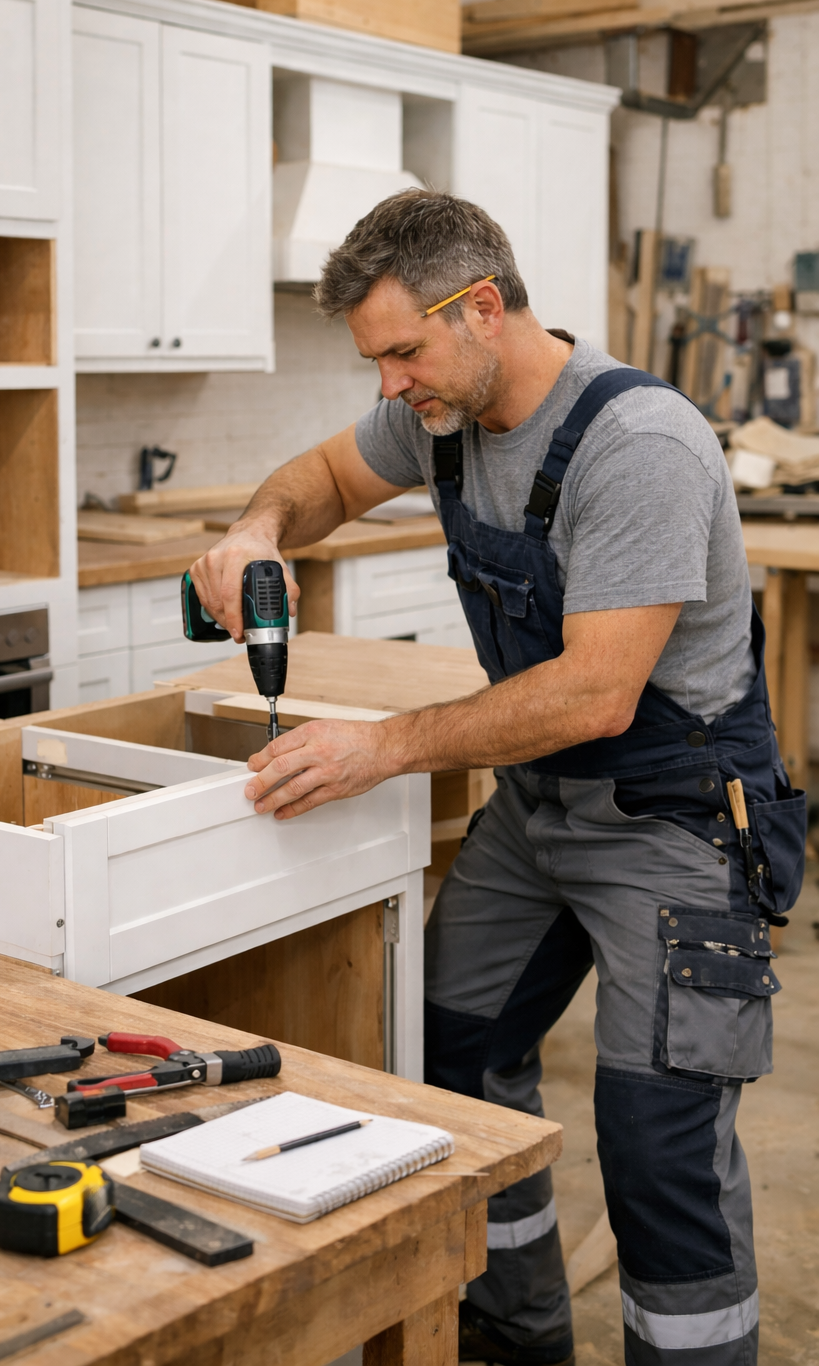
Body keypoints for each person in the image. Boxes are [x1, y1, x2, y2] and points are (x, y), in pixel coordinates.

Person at [189, 189, 805, 1366]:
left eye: (403, 351)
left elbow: (594, 694)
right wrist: (261, 527)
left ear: (481, 308)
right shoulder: (437, 417)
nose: (387, 384)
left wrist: (387, 745)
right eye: (375, 358)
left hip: (673, 824)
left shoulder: (639, 445)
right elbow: (321, 474)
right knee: (449, 1067)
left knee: (656, 1140)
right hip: (540, 808)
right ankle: (516, 1334)